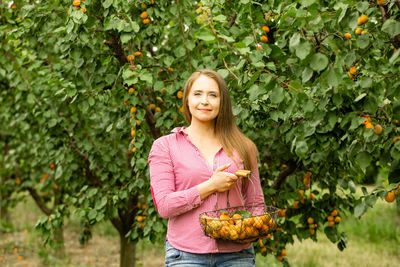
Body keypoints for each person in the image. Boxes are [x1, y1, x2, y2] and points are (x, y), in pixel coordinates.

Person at [148, 69, 265, 266]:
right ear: (186, 100)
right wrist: (211, 186)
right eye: (197, 94)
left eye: (213, 95)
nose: (205, 101)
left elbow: (256, 203)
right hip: (185, 255)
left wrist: (251, 228)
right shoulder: (165, 146)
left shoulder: (244, 147)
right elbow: (165, 206)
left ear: (223, 102)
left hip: (237, 254)